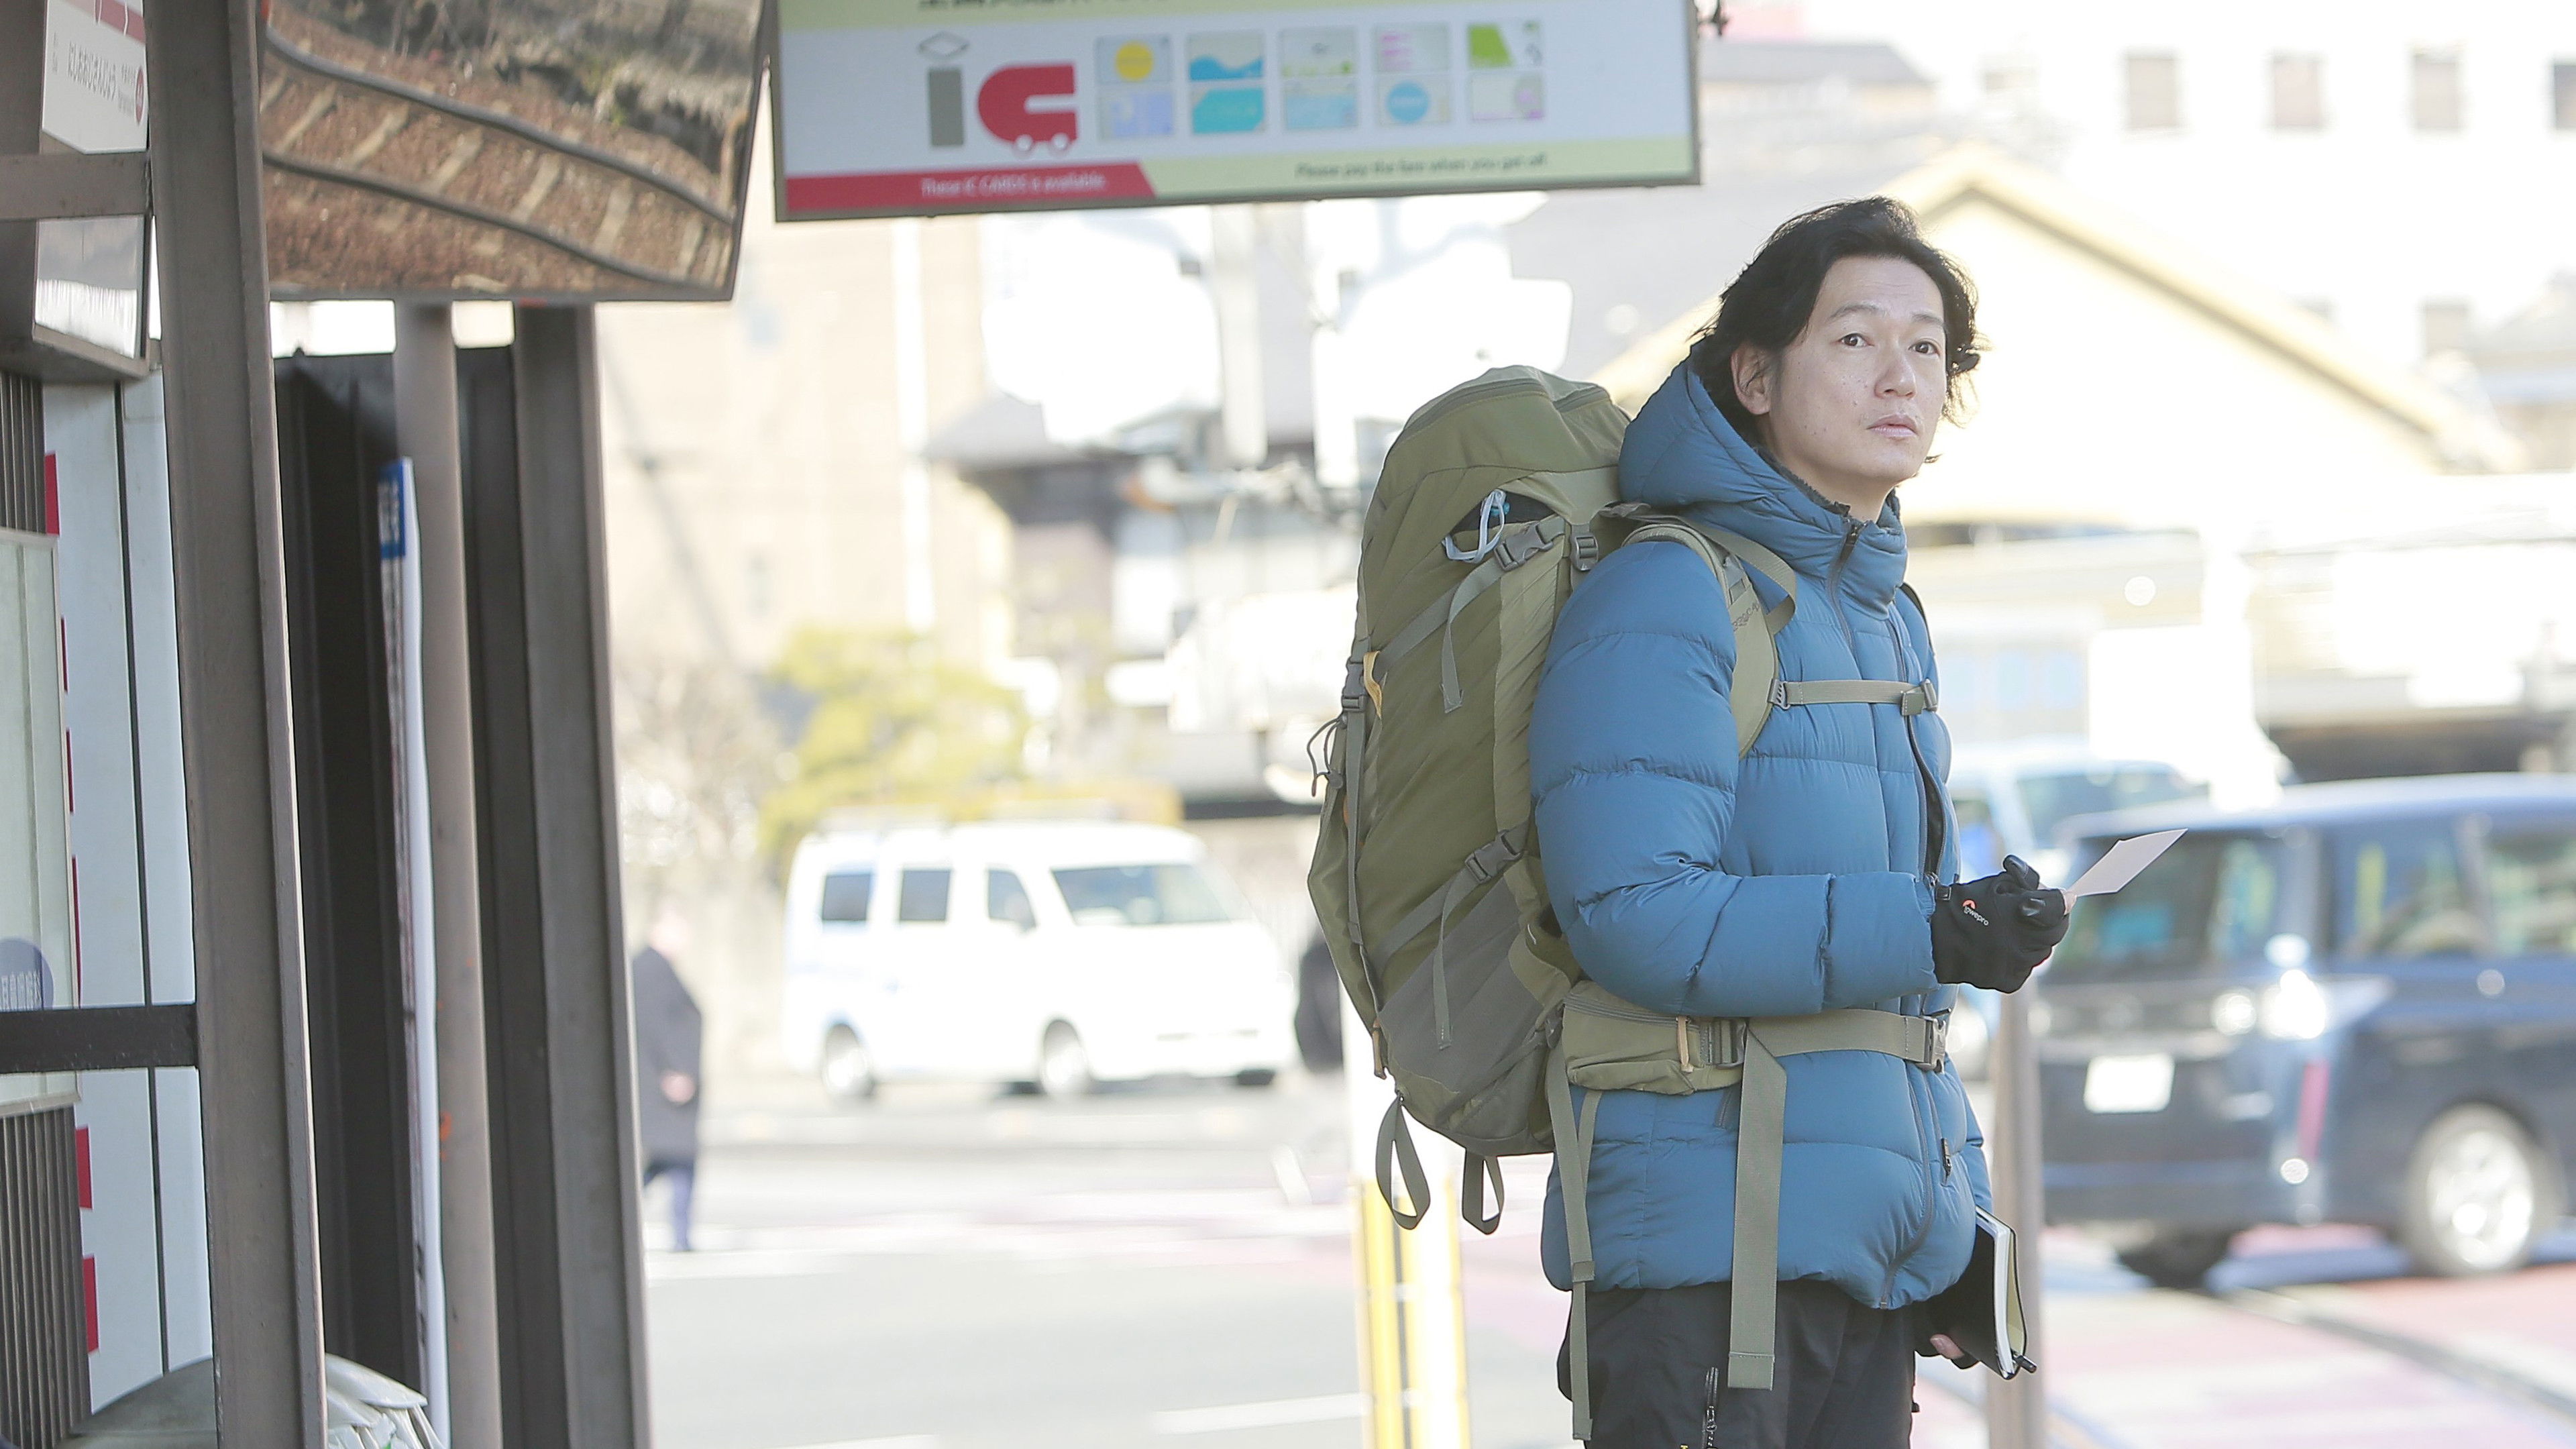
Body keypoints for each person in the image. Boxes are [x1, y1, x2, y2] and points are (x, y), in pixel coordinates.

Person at [1527, 198, 2069, 1446]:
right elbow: (1639, 916)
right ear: (1755, 374)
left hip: (1851, 1263)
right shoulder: (1669, 589)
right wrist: (1932, 925)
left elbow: (1901, 1006)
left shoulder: (1882, 616)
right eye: (1856, 340)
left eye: (1928, 348)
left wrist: (1952, 1228)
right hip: (1704, 1276)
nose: (1902, 375)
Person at [631, 910, 705, 1252]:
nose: (684, 939)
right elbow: (656, 1028)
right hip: (664, 1086)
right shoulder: (650, 971)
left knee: (673, 1161)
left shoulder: (654, 969)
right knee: (674, 1160)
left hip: (665, 1085)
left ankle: (682, 1233)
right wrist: (673, 1070)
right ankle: (680, 1234)